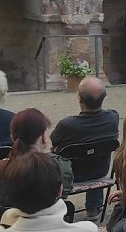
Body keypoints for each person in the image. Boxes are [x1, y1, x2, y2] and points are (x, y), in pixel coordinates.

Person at [50, 76, 119, 221]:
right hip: (100, 170)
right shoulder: (113, 118)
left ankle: (60, 205)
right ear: (104, 97)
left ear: (79, 99)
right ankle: (94, 207)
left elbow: (53, 142)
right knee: (96, 156)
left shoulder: (66, 125)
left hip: (71, 175)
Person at [0, 108, 73, 213]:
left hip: (8, 225)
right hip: (49, 225)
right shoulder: (60, 167)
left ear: (12, 137)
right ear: (43, 137)